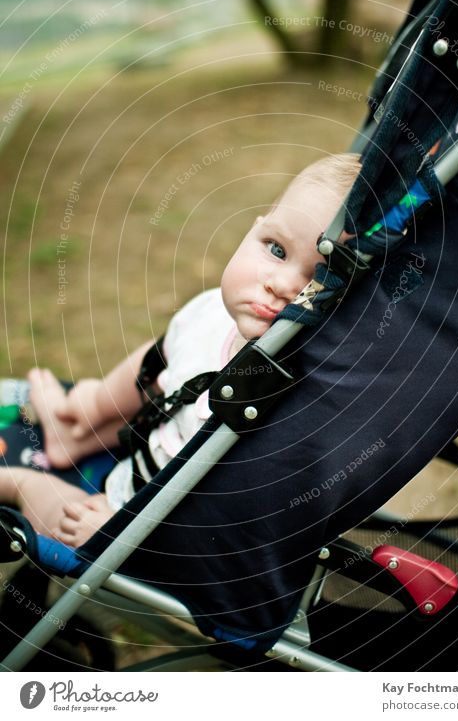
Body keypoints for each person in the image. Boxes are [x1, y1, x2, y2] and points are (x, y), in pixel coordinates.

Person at [0, 154, 360, 548]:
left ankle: (17, 483)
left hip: (129, 522)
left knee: (52, 508)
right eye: (275, 249)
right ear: (254, 229)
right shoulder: (216, 314)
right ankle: (77, 427)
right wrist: (95, 402)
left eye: (320, 278)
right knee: (163, 363)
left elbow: (226, 510)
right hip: (150, 438)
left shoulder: (280, 397)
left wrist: (125, 528)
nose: (281, 283)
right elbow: (159, 360)